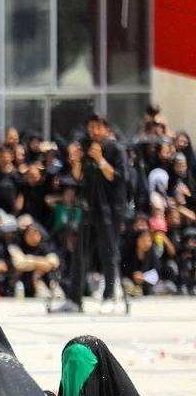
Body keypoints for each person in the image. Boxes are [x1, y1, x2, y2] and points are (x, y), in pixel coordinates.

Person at [54, 114, 127, 314]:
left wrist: (100, 159)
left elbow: (117, 178)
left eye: (97, 127)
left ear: (106, 129)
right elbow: (79, 178)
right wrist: (76, 161)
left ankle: (109, 296)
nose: (93, 131)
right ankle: (74, 299)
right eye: (90, 127)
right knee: (80, 252)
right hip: (89, 207)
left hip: (109, 210)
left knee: (108, 253)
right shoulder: (85, 147)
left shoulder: (116, 149)